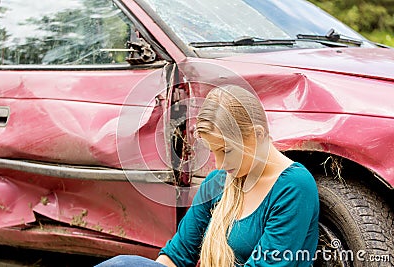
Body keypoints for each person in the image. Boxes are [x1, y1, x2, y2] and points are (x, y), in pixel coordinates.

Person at [96, 85, 319, 267]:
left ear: (257, 135)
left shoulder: (293, 187)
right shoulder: (218, 182)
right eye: (214, 152)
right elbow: (177, 255)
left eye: (226, 151)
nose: (221, 164)